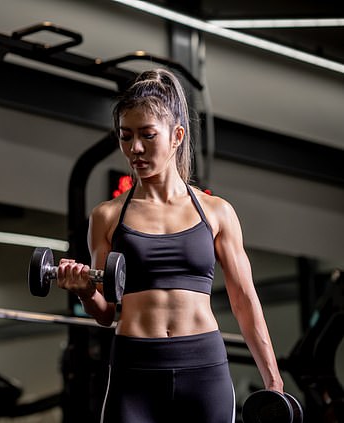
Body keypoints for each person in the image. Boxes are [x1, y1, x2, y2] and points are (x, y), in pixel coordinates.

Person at [56, 68, 283, 422]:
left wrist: (273, 378)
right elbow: (105, 312)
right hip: (134, 369)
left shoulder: (216, 212)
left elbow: (244, 299)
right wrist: (84, 290)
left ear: (177, 136)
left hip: (203, 368)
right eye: (126, 136)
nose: (135, 148)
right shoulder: (107, 216)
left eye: (147, 135)